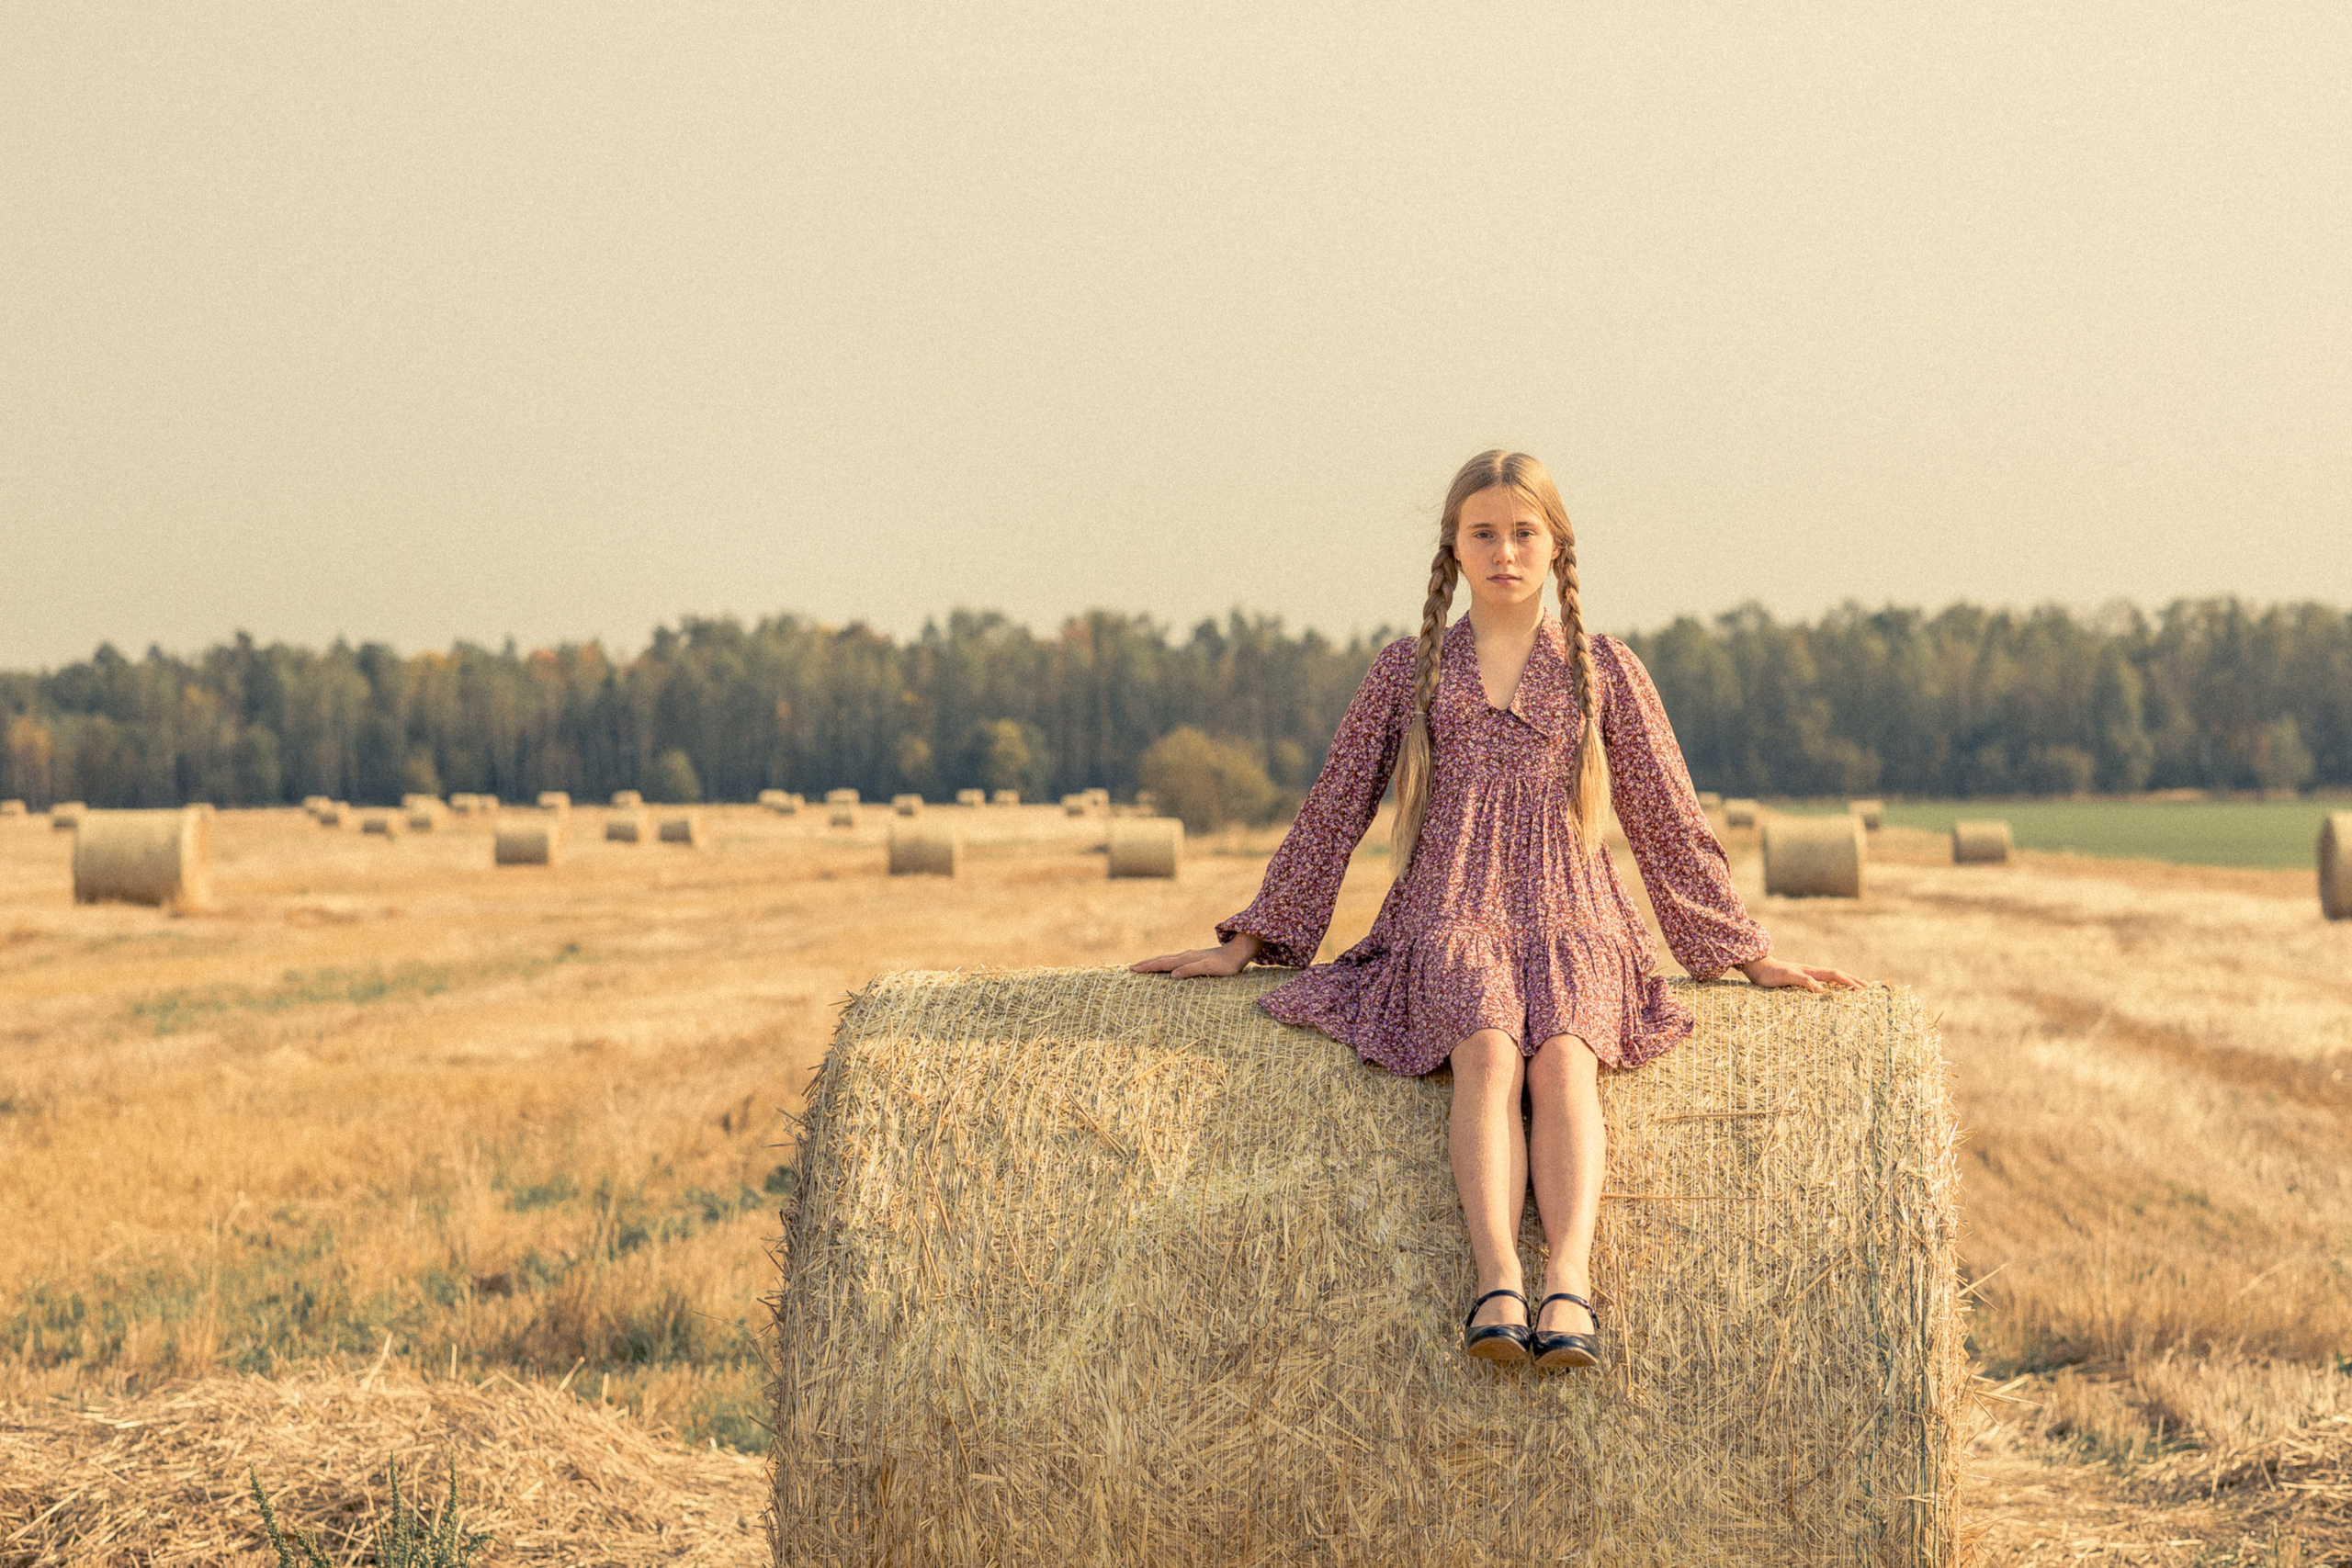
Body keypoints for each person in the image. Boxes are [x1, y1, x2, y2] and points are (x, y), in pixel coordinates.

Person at [1133, 449, 1862, 1371]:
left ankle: (1568, 1280)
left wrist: (1743, 950)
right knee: (1483, 1047)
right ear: (1455, 546)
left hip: (1574, 909)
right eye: (1484, 532)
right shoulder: (1409, 669)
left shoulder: (1604, 669)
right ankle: (1495, 1282)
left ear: (1555, 545)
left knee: (1563, 1057)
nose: (1505, 550)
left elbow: (1667, 816)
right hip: (1448, 908)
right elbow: (1334, 807)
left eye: (1524, 532)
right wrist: (1247, 941)